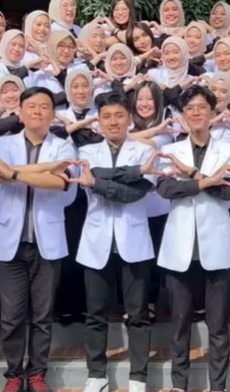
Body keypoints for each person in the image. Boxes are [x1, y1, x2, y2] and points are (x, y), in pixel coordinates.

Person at [0, 87, 77, 392]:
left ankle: (37, 373)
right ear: (21, 112)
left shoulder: (63, 147)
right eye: (31, 106)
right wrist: (40, 172)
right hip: (9, 241)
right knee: (11, 315)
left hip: (46, 240)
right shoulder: (2, 144)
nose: (37, 111)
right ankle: (14, 374)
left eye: (44, 107)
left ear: (52, 114)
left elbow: (61, 183)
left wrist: (14, 173)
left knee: (42, 315)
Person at [73, 92, 160, 392]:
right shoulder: (87, 152)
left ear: (129, 119)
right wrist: (128, 175)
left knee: (138, 314)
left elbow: (136, 193)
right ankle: (97, 374)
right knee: (95, 314)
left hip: (133, 240)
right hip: (96, 240)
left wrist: (98, 183)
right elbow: (94, 176)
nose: (113, 122)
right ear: (98, 121)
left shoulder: (144, 151)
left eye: (119, 115)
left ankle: (138, 377)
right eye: (107, 116)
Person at [156, 85, 230, 392]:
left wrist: (190, 176)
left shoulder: (229, 149)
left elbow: (229, 191)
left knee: (218, 324)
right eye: (189, 108)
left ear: (212, 113)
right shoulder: (171, 151)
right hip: (180, 245)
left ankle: (218, 386)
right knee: (180, 322)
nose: (195, 113)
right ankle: (179, 384)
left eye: (202, 107)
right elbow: (166, 189)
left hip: (216, 244)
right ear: (182, 115)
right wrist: (207, 182)